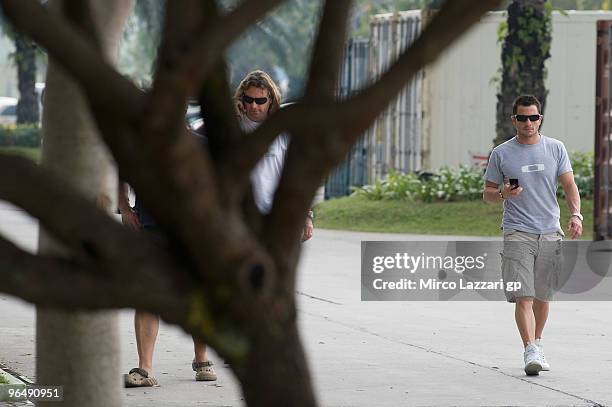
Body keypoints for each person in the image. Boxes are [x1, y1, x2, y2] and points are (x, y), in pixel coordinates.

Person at [483, 94, 582, 376]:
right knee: (523, 295)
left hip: (550, 231)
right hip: (517, 232)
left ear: (541, 119)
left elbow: (569, 185)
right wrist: (503, 194)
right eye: (523, 118)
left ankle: (537, 343)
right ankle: (529, 349)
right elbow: (487, 194)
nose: (529, 123)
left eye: (534, 117)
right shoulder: (501, 153)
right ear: (514, 120)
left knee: (542, 296)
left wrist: (576, 214)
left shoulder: (555, 148)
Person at [120, 122, 216, 387]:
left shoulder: (201, 144)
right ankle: (145, 368)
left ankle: (201, 357)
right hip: (150, 228)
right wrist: (125, 208)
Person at [233, 70, 314, 239]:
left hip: (275, 217)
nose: (254, 106)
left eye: (260, 100)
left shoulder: (283, 129)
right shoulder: (234, 128)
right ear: (242, 99)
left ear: (270, 99)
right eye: (249, 100)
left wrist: (307, 216)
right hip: (240, 218)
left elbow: (295, 174)